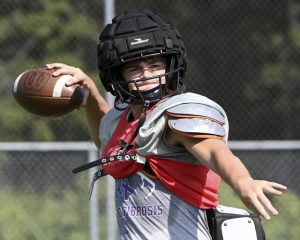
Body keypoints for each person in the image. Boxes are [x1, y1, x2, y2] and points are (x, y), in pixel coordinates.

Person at [47, 9, 287, 240]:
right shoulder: (120, 120)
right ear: (117, 75)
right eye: (134, 68)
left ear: (171, 65)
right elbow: (108, 142)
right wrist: (89, 93)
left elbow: (214, 151)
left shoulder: (177, 112)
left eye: (154, 65)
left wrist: (241, 181)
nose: (146, 74)